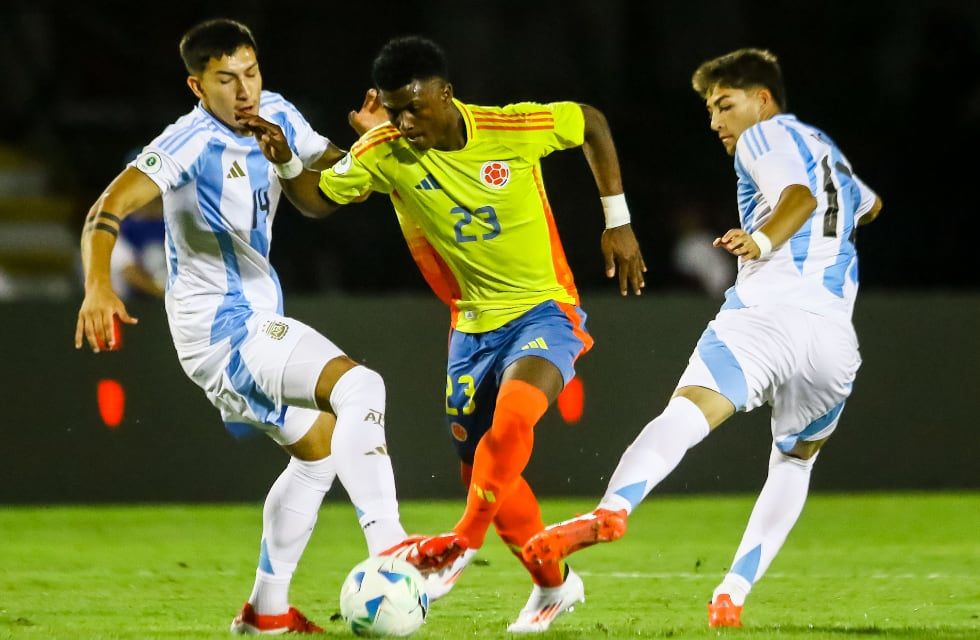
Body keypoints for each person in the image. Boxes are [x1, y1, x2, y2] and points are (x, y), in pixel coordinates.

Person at [239, 35, 645, 633]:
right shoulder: (383, 150)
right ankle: (554, 584)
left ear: (445, 93)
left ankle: (461, 543)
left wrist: (619, 222)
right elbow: (318, 200)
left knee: (512, 421)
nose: (405, 123)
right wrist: (286, 163)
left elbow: (591, 122)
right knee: (483, 469)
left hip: (543, 310)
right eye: (394, 111)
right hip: (471, 326)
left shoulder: (510, 128)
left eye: (414, 108)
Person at [522, 48, 883, 629]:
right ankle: (732, 593)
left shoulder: (763, 136)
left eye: (725, 105)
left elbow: (800, 198)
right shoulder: (825, 148)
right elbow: (868, 205)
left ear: (762, 100)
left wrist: (762, 241)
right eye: (711, 110)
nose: (716, 121)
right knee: (793, 465)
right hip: (834, 340)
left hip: (767, 315)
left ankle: (611, 510)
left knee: (685, 416)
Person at [73, 19, 413, 634]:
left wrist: (367, 147)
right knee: (362, 386)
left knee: (318, 453)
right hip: (220, 328)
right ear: (197, 87)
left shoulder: (277, 114)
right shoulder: (187, 142)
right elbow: (107, 208)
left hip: (253, 318)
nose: (244, 90)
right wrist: (98, 284)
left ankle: (266, 612)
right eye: (226, 79)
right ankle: (395, 555)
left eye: (251, 73)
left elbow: (334, 190)